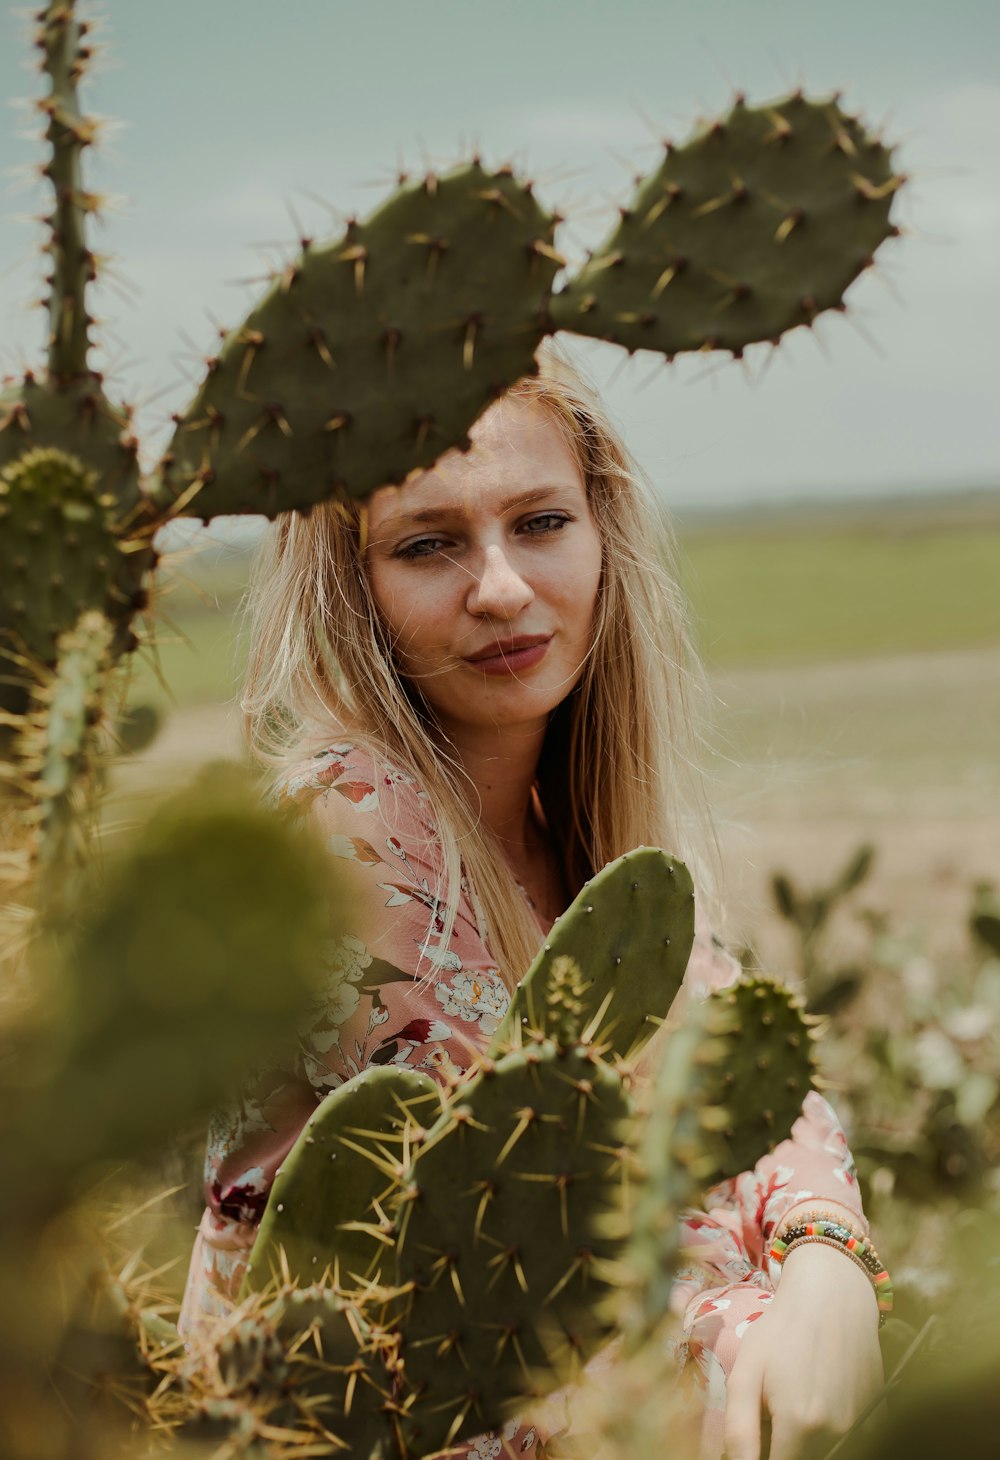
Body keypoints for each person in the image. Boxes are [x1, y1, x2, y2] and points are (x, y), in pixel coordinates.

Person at [180, 349, 885, 1460]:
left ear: (603, 534)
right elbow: (538, 1275)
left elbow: (765, 1091)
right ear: (349, 586)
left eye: (540, 522)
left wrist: (828, 1257)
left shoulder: (586, 835)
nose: (501, 586)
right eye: (427, 542)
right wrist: (776, 1323)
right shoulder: (345, 828)